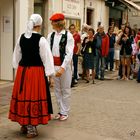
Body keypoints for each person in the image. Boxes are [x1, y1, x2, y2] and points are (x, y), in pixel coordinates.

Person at [8, 14, 55, 138]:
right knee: (32, 97)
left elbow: (16, 58)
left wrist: (18, 68)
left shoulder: (21, 38)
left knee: (23, 96)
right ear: (39, 25)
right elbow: (47, 59)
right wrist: (50, 76)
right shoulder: (41, 40)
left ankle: (24, 124)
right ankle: (31, 128)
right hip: (35, 73)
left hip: (23, 72)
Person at [47, 13, 74, 121]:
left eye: (52, 22)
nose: (51, 24)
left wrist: (63, 67)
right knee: (57, 90)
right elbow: (48, 52)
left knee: (65, 89)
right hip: (54, 65)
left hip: (65, 66)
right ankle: (60, 110)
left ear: (57, 23)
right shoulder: (50, 35)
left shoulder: (68, 36)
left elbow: (69, 53)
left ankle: (65, 112)